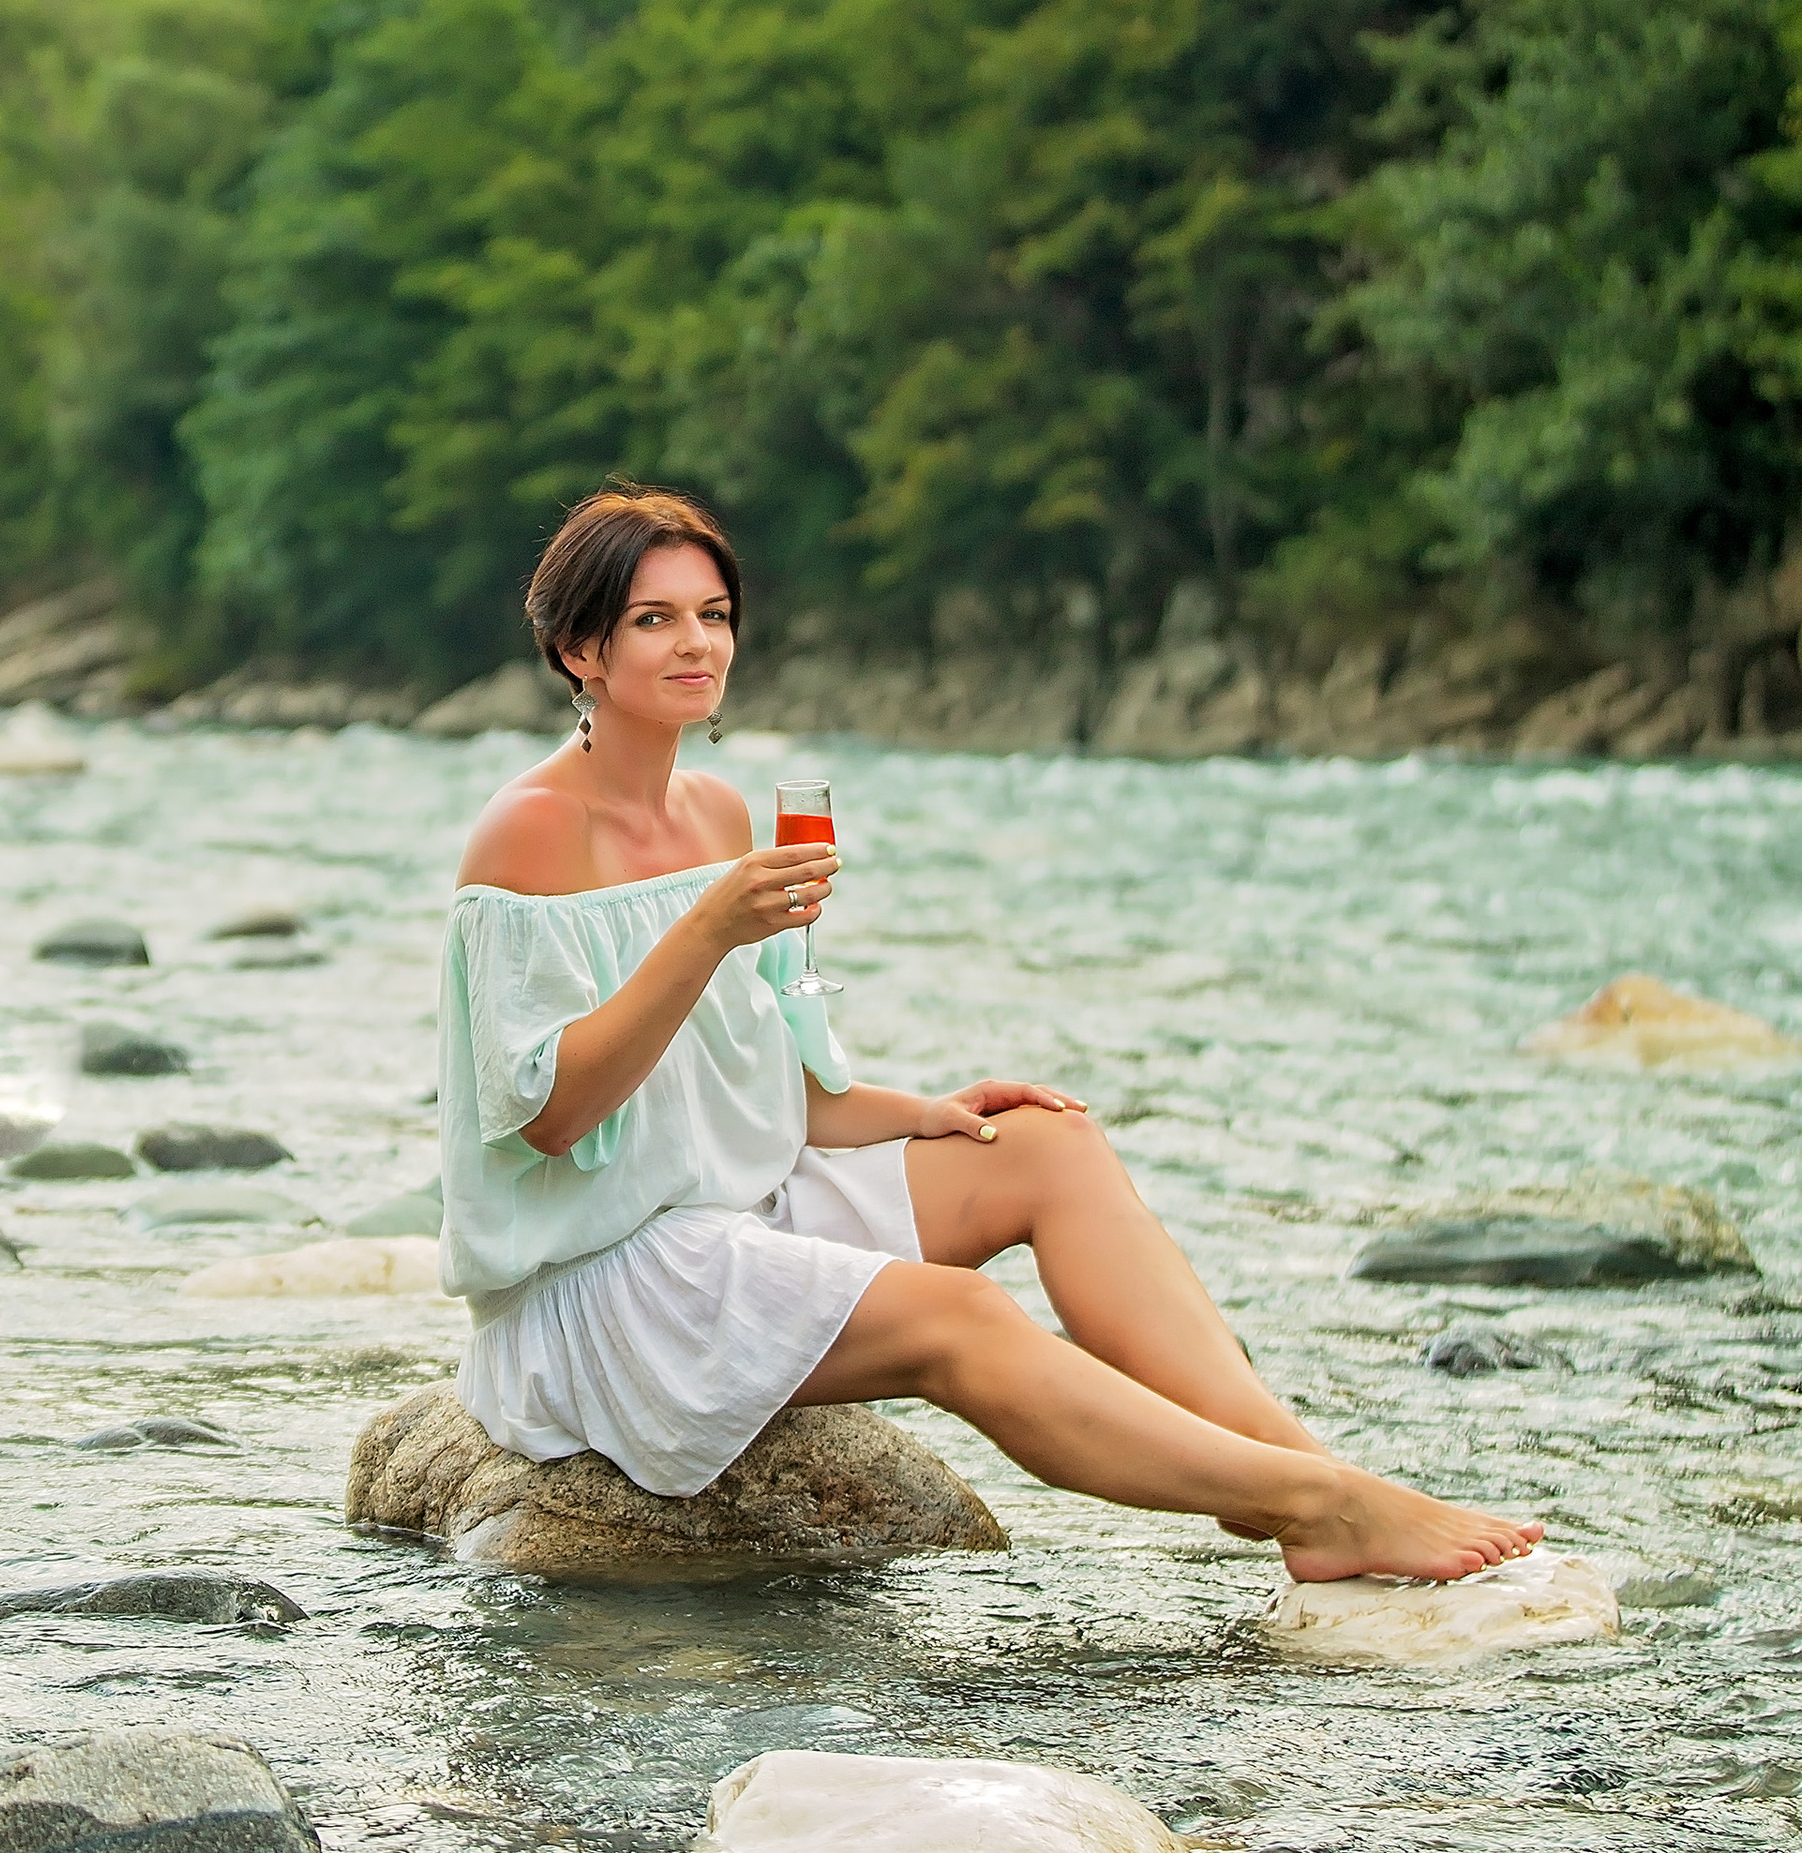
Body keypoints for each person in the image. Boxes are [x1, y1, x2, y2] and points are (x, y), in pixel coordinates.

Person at [441, 485, 1544, 1583]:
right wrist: (707, 929)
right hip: (607, 1281)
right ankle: (1316, 1505)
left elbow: (757, 1087)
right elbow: (549, 1120)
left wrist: (921, 1115)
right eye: (655, 619)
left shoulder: (719, 814)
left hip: (737, 1209)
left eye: (714, 614)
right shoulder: (532, 830)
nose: (698, 643)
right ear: (580, 649)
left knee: (1047, 1145)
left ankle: (1302, 1473)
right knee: (963, 1316)